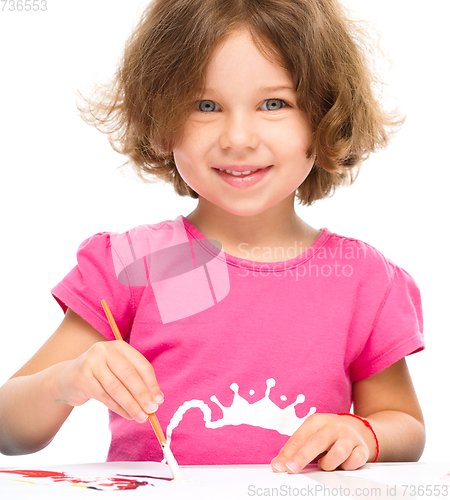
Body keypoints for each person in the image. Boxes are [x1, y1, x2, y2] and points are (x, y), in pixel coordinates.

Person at [0, 0, 425, 473]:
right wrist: (67, 381)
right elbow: (8, 429)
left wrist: (361, 431)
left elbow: (404, 424)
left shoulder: (361, 279)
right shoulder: (137, 262)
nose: (237, 138)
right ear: (161, 119)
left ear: (325, 116)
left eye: (274, 103)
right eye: (206, 105)